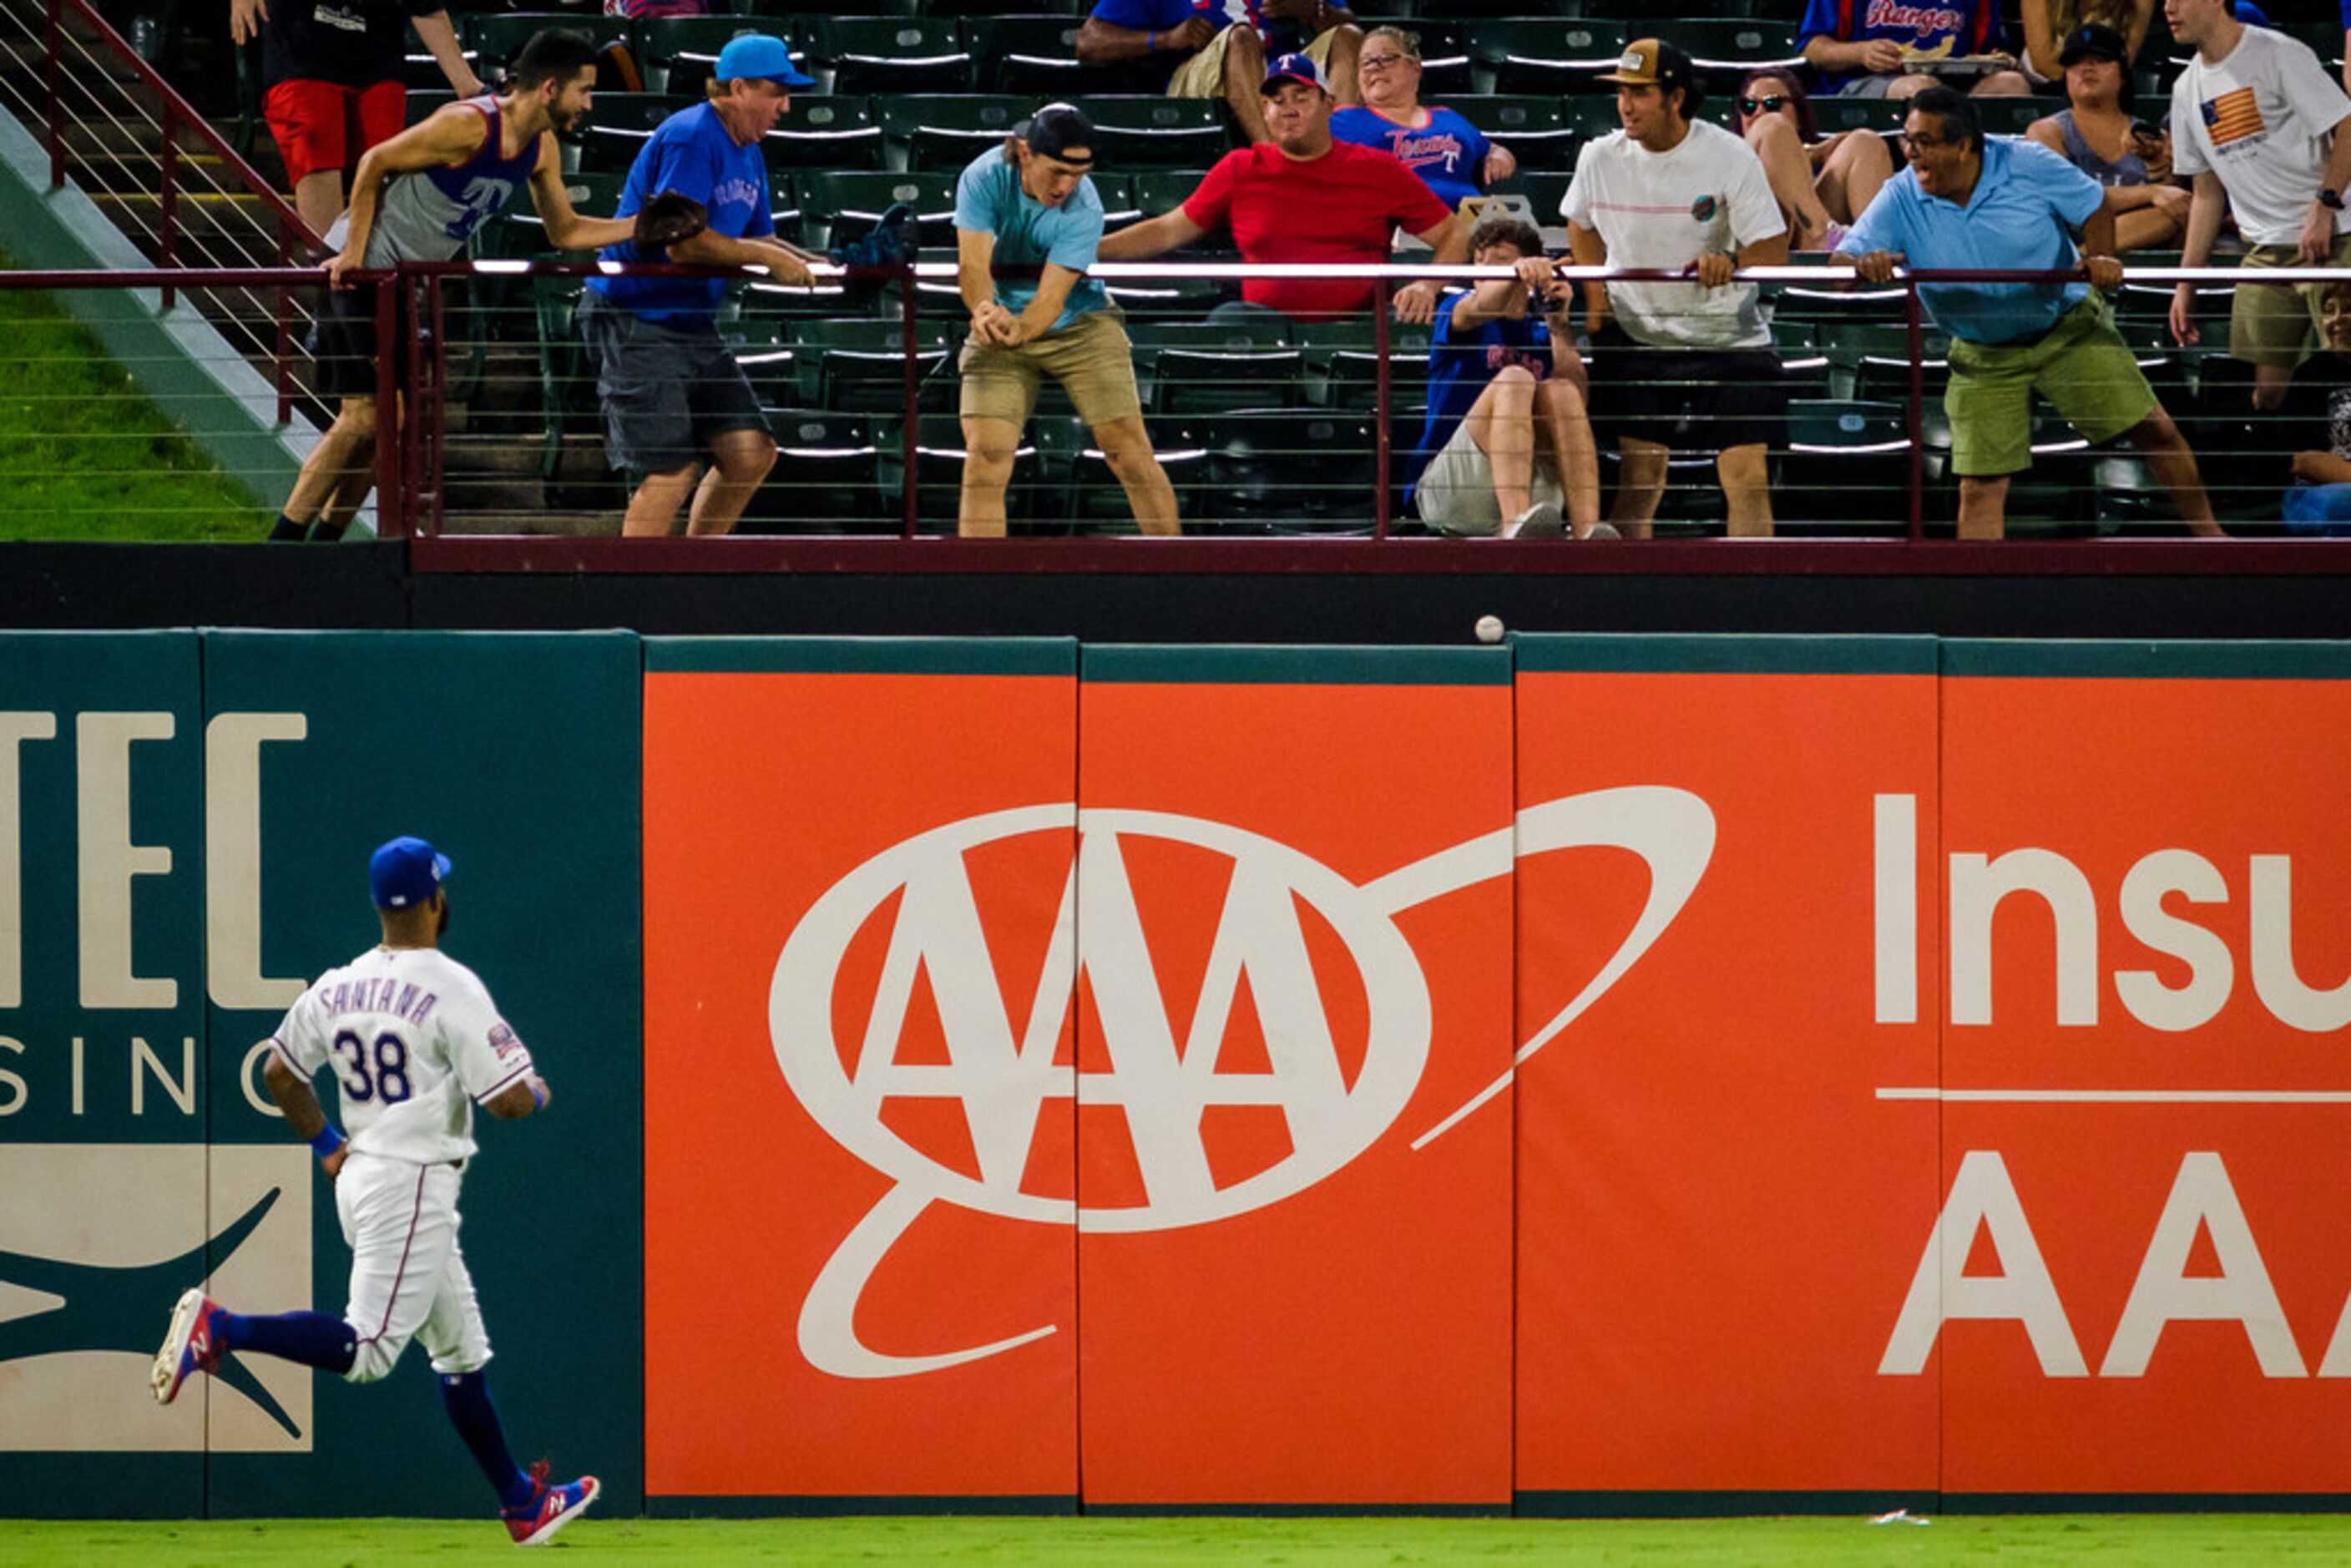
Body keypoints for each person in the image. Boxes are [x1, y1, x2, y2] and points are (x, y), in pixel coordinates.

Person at [151, 835, 596, 1547]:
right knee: (368, 1352)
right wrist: (538, 1092)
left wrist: (327, 1144)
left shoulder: (337, 984)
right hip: (412, 1183)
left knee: (459, 1349)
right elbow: (508, 1100)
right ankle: (223, 1329)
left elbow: (279, 1071)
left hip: (365, 1178)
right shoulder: (451, 985)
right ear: (432, 900)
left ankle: (520, 1502)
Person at [267, 29, 640, 544]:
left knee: (386, 427)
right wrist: (353, 250)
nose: (590, 104)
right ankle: (281, 545)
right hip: (359, 269)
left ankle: (330, 544)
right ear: (551, 88)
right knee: (365, 416)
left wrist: (641, 226)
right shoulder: (467, 125)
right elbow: (376, 161)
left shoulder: (540, 149)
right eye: (585, 91)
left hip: (400, 282)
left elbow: (566, 231)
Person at [1838, 88, 2222, 540]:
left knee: (2155, 431)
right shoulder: (1900, 194)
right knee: (1979, 488)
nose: (1911, 153)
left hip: (2066, 332)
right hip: (1983, 356)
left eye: (1924, 142)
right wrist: (1863, 265)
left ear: (1964, 145)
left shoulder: (2027, 163)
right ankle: (1982, 599)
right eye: (1907, 140)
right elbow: (1839, 270)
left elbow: (2095, 204)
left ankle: (2212, 539)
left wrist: (2100, 259)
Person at [580, 34, 823, 539]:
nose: (785, 106)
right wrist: (768, 258)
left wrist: (823, 261)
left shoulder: (749, 150)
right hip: (636, 315)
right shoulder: (694, 134)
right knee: (671, 469)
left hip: (690, 320)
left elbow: (761, 237)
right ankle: (636, 600)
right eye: (778, 93)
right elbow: (680, 243)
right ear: (738, 88)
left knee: (750, 453)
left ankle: (696, 571)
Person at [1562, 39, 1789, 539]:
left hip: (1730, 340)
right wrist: (1598, 301)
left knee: (1747, 476)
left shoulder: (1728, 156)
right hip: (1639, 337)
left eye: (1639, 93)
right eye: (1621, 92)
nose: (1625, 105)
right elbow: (1579, 224)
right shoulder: (1598, 157)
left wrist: (1729, 260)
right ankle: (1628, 602)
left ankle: (1755, 601)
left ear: (1676, 97)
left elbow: (1773, 248)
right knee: (1640, 479)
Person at [1098, 53, 1467, 323]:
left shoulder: (1378, 169)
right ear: (1265, 110)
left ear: (1329, 105)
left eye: (1301, 98)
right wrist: (1087, 250)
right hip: (1264, 327)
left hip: (1361, 326)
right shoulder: (1241, 168)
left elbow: (1454, 233)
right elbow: (1166, 230)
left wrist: (1428, 286)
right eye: (1277, 101)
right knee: (1229, 322)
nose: (1287, 109)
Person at [955, 104, 1180, 539]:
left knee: (1127, 450)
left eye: (1078, 174)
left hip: (1080, 323)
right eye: (1057, 172)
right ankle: (978, 586)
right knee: (986, 454)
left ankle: (1179, 573)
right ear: (1024, 153)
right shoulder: (982, 177)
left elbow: (1051, 299)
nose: (1066, 186)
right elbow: (972, 267)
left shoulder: (1085, 207)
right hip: (998, 319)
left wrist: (1018, 329)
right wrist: (983, 310)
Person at [2166, 0, 2351, 413]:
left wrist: (2326, 205)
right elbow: (2207, 194)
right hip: (2266, 255)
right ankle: (2288, 470)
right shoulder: (2185, 90)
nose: (2168, 8)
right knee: (2267, 394)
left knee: (2344, 366)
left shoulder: (2279, 53)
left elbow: (2347, 125)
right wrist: (2185, 284)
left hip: (2337, 238)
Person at [1406, 215, 1605, 540]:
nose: (1485, 271)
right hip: (1454, 488)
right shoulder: (1455, 308)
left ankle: (1587, 531)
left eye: (1499, 261)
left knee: (1560, 391)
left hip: (1533, 486)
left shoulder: (1541, 334)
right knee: (1515, 378)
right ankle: (1516, 525)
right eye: (1479, 262)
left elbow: (1578, 399)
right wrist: (1513, 273)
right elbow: (1480, 306)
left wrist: (1558, 324)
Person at [233, 0, 484, 238]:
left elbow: (425, 6)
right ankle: (329, 270)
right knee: (317, 148)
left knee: (388, 171)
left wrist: (467, 85)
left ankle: (378, 274)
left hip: (377, 56)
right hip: (302, 50)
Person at [1075, 0, 1363, 147]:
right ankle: (1277, 159)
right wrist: (1165, 39)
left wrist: (1316, 9)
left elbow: (1349, 23)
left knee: (1349, 36)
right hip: (1198, 78)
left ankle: (1344, 154)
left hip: (1284, 74)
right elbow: (1088, 42)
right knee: (1240, 38)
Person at [2025, 24, 2187, 253]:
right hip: (2073, 236)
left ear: (2122, 75)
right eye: (2075, 62)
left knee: (2170, 214)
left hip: (2143, 240)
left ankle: (2085, 254)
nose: (2087, 68)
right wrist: (2150, 193)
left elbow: (2176, 203)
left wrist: (2156, 165)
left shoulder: (2145, 135)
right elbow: (2070, 198)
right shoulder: (2047, 131)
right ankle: (2080, 257)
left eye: (2100, 59)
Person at [1329, 26, 1514, 212]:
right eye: (1366, 62)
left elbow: (1492, 148)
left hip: (1469, 223)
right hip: (1391, 226)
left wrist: (1499, 156)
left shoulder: (1448, 117)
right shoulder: (1344, 121)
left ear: (1415, 68)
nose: (1375, 67)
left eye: (1388, 58)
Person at [1735, 69, 1893, 252]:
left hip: (1804, 236)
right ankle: (1824, 235)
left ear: (1799, 115)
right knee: (1772, 126)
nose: (1759, 112)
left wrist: (1806, 155)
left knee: (1865, 141)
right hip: (1750, 237)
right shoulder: (1725, 151)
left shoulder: (1810, 157)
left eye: (1773, 103)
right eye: (1748, 105)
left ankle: (1877, 251)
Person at [1797, 0, 2030, 100]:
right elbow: (1812, 48)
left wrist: (2002, 60)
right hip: (1865, 83)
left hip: (1955, 86)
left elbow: (1989, 50)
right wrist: (1861, 52)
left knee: (2011, 84)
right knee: (1922, 91)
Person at [2283, 278, 2351, 532]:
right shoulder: (2310, 375)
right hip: (2319, 491)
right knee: (2341, 505)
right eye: (2329, 310)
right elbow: (2304, 461)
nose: (2337, 319)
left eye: (2348, 309)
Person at [2020, 0, 2154, 82]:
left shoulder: (2139, 2)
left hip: (2107, 87)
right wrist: (2086, 80)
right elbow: (2044, 65)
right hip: (2044, 83)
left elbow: (2124, 62)